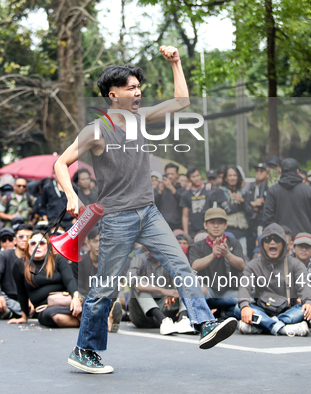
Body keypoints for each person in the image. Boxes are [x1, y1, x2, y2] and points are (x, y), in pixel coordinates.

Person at [54, 48, 237, 374]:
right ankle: (85, 350)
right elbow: (60, 163)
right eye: (131, 88)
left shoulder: (140, 117)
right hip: (117, 218)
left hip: (149, 213)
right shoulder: (96, 130)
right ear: (113, 95)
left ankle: (205, 324)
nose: (138, 93)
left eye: (139, 87)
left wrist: (176, 63)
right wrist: (70, 194)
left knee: (181, 265)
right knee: (106, 288)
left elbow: (181, 101)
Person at [234, 224, 311, 336]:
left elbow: (304, 286)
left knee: (306, 309)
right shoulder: (253, 265)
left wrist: (309, 302)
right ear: (262, 244)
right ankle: (283, 329)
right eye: (267, 239)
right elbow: (244, 287)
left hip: (287, 310)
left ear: (283, 243)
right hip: (262, 309)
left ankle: (262, 326)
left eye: (276, 239)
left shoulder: (295, 264)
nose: (272, 242)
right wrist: (245, 306)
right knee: (238, 309)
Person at [8, 231, 82, 328]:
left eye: (41, 243)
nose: (37, 246)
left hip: (66, 302)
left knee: (87, 304)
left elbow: (70, 280)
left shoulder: (58, 259)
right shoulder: (19, 264)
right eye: (33, 243)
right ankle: (85, 322)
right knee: (56, 317)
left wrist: (76, 298)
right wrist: (24, 317)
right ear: (28, 246)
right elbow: (22, 293)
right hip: (45, 309)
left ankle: (84, 319)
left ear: (48, 246)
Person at [189, 208, 245, 318]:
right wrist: (213, 254)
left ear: (226, 225)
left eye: (220, 223)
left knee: (249, 301)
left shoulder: (234, 243)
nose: (216, 226)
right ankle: (203, 319)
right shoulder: (197, 246)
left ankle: (223, 313)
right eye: (212, 223)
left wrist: (227, 254)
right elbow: (194, 266)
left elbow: (241, 265)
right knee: (196, 292)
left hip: (228, 292)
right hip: (208, 290)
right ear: (205, 225)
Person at [263, 158, 311, 235]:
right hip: (304, 238)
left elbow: (267, 217)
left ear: (281, 171)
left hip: (281, 238)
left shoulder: (273, 190)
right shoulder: (308, 190)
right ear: (297, 171)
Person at [0, 224, 33, 319]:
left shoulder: (37, 257)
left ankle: (13, 313)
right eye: (21, 237)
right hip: (7, 298)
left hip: (28, 300)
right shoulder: (5, 255)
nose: (25, 239)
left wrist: (32, 298)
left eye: (28, 237)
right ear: (15, 240)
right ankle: (24, 312)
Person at [219, 166, 252, 257]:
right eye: (230, 175)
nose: (232, 178)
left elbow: (250, 212)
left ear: (238, 177)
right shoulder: (220, 192)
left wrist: (242, 201)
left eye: (235, 175)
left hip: (242, 232)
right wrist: (243, 204)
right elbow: (227, 210)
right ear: (225, 178)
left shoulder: (243, 193)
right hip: (227, 231)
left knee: (242, 257)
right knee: (226, 258)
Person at [154, 163, 184, 231]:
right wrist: (160, 192)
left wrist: (172, 188)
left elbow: (183, 203)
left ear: (177, 175)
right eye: (168, 174)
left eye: (172, 174)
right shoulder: (159, 189)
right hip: (162, 225)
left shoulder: (182, 190)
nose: (170, 176)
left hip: (177, 226)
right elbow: (153, 205)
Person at [180, 167, 209, 238]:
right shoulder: (186, 195)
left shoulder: (208, 190)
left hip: (207, 228)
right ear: (189, 179)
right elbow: (185, 216)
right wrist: (186, 233)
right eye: (193, 176)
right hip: (193, 230)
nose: (196, 178)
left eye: (198, 175)